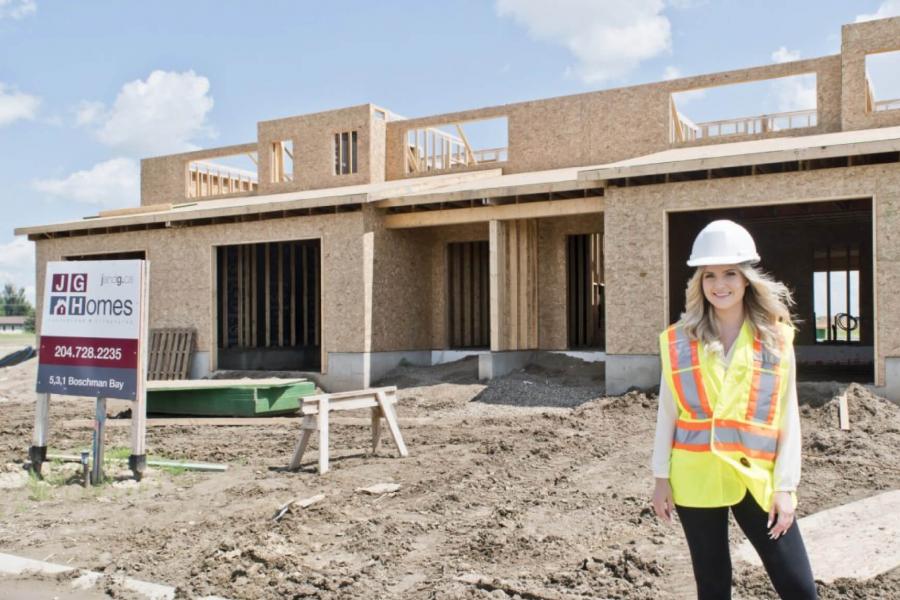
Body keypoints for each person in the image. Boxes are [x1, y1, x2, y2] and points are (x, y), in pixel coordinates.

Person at [650, 220, 817, 599]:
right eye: (709, 274)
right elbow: (668, 413)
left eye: (730, 273)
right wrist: (662, 477)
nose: (719, 284)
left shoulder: (775, 339)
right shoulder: (678, 340)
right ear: (699, 281)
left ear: (746, 280)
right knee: (712, 587)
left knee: (799, 587)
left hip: (756, 479)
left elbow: (788, 417)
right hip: (696, 477)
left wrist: (785, 487)